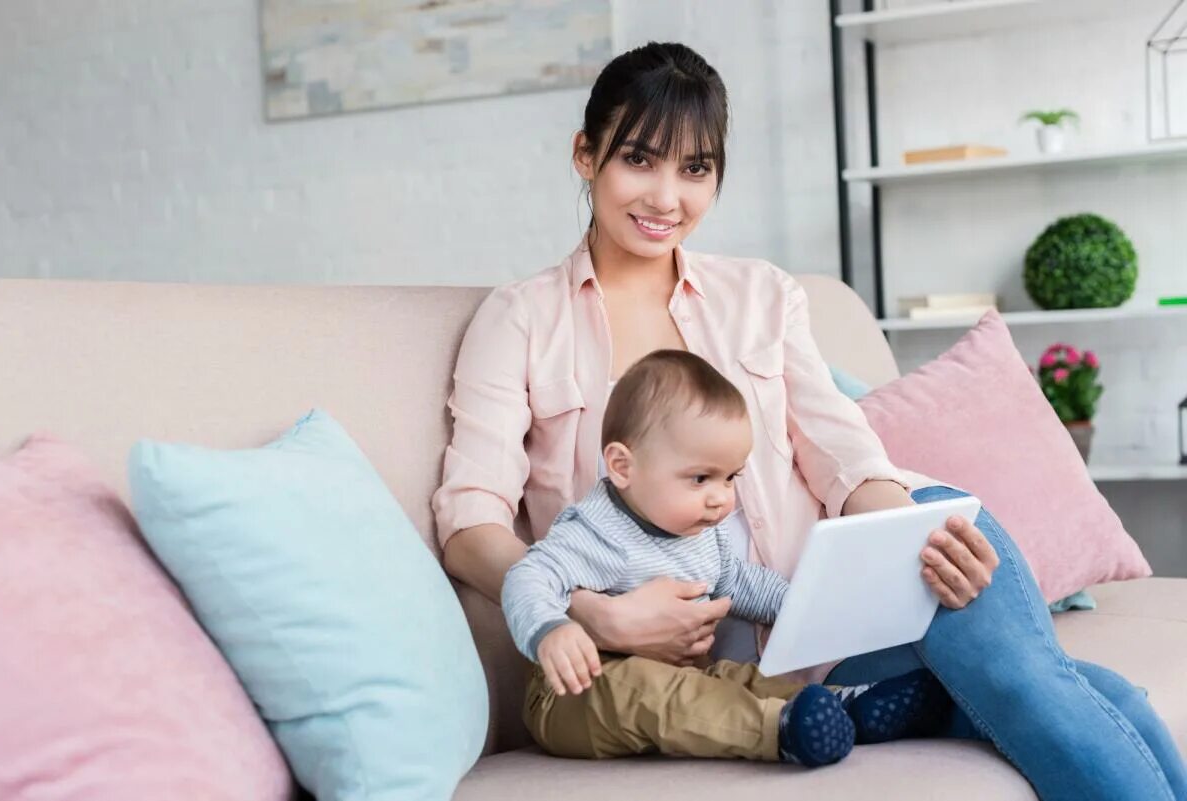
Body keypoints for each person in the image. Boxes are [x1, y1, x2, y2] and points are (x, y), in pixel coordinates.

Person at [432, 41, 1187, 800]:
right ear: (585, 155)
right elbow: (470, 524)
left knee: (1032, 680)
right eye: (640, 159)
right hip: (755, 681)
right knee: (1106, 702)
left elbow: (845, 457)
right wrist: (595, 616)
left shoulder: (763, 295)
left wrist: (910, 543)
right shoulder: (521, 319)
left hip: (862, 599)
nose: (667, 197)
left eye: (695, 169)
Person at [503, 349, 950, 767]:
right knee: (648, 689)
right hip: (575, 694)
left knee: (733, 679)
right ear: (623, 467)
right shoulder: (594, 532)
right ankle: (783, 731)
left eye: (730, 477)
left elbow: (742, 584)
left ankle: (844, 704)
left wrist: (806, 608)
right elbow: (528, 578)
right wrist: (551, 629)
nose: (721, 499)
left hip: (677, 678)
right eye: (700, 478)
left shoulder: (699, 534)